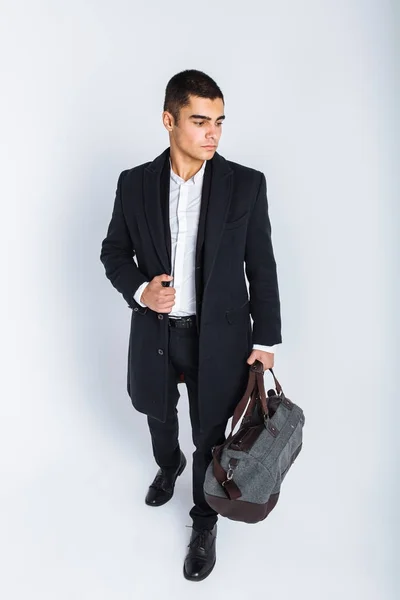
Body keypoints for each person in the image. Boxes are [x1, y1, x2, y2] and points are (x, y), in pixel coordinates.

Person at [100, 69, 282, 581]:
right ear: (168, 120)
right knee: (157, 410)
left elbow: (261, 266)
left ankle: (204, 519)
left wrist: (266, 339)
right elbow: (113, 251)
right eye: (200, 121)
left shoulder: (245, 184)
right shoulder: (133, 183)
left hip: (219, 336)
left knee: (210, 431)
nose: (212, 134)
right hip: (157, 331)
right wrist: (142, 290)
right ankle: (169, 464)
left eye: (219, 122)